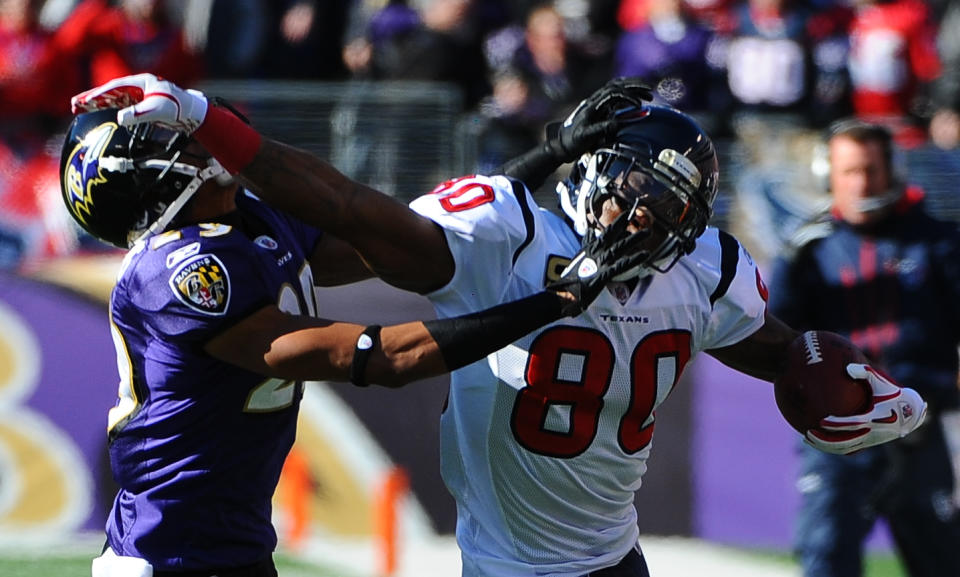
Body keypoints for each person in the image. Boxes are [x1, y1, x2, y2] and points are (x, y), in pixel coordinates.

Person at [72, 73, 929, 577]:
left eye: (680, 205)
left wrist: (837, 373)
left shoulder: (701, 266)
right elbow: (371, 288)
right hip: (182, 551)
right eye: (648, 193)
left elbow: (781, 349)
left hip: (609, 558)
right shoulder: (184, 270)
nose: (661, 219)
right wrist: (555, 296)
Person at [58, 104, 641, 577]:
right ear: (144, 184)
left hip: (235, 549)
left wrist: (549, 154)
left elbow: (402, 236)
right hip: (168, 555)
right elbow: (383, 357)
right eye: (167, 143)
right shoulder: (179, 271)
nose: (190, 142)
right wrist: (550, 306)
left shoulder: (251, 222)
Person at [767, 119, 960, 577]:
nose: (861, 183)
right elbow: (775, 336)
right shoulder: (808, 250)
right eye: (850, 171)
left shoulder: (939, 243)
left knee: (943, 560)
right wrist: (789, 264)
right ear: (826, 175)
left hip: (920, 423)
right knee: (826, 552)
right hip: (839, 431)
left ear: (893, 171)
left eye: (871, 170)